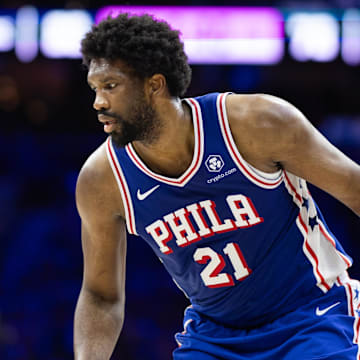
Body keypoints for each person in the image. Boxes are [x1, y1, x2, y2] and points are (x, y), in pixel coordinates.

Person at [73, 13, 360, 360]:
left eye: (111, 87)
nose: (98, 103)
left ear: (154, 85)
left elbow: (353, 188)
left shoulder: (256, 123)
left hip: (311, 316)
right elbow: (101, 296)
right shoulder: (102, 179)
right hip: (215, 338)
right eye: (95, 89)